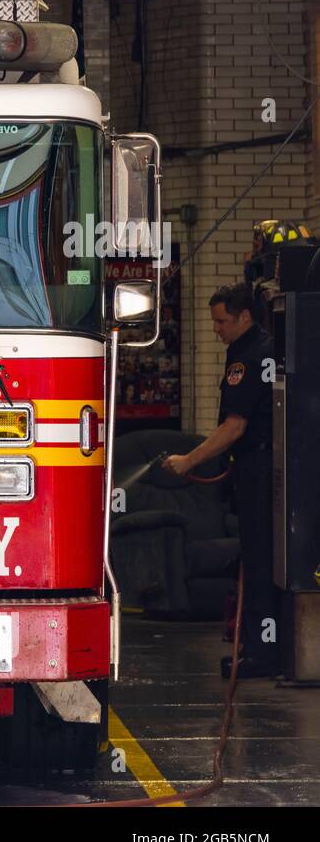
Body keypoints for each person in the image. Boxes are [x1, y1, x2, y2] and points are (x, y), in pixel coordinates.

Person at [163, 282, 277, 678]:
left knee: (261, 563)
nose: (216, 328)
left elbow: (234, 427)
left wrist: (188, 460)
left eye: (222, 321)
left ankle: (263, 654)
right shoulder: (258, 348)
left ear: (244, 317)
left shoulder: (248, 358)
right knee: (257, 559)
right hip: (260, 469)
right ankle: (261, 646)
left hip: (257, 470)